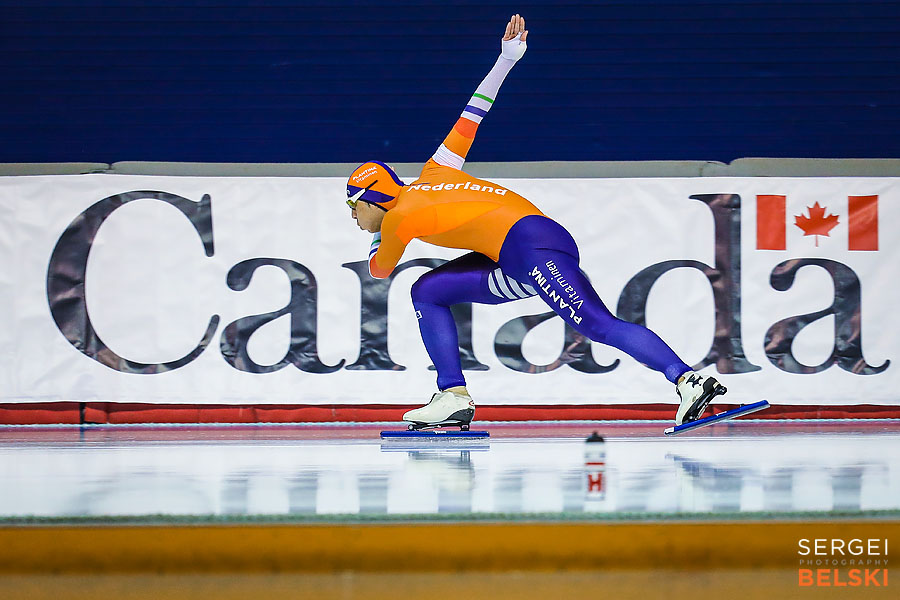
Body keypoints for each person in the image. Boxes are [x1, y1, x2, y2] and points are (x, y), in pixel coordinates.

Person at [345, 14, 726, 429]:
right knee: (428, 290)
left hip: (532, 248)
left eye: (354, 206)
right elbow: (473, 114)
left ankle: (687, 379)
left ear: (373, 200)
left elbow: (379, 269)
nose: (352, 216)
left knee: (597, 325)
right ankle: (452, 395)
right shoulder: (436, 170)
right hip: (518, 254)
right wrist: (506, 60)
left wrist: (376, 233)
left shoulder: (398, 218)